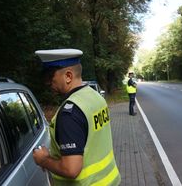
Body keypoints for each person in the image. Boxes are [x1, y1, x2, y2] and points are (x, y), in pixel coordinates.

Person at [33, 49, 121, 186]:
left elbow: (71, 169)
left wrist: (43, 160)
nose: (48, 83)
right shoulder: (95, 96)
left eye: (50, 77)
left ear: (68, 76)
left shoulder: (69, 114)